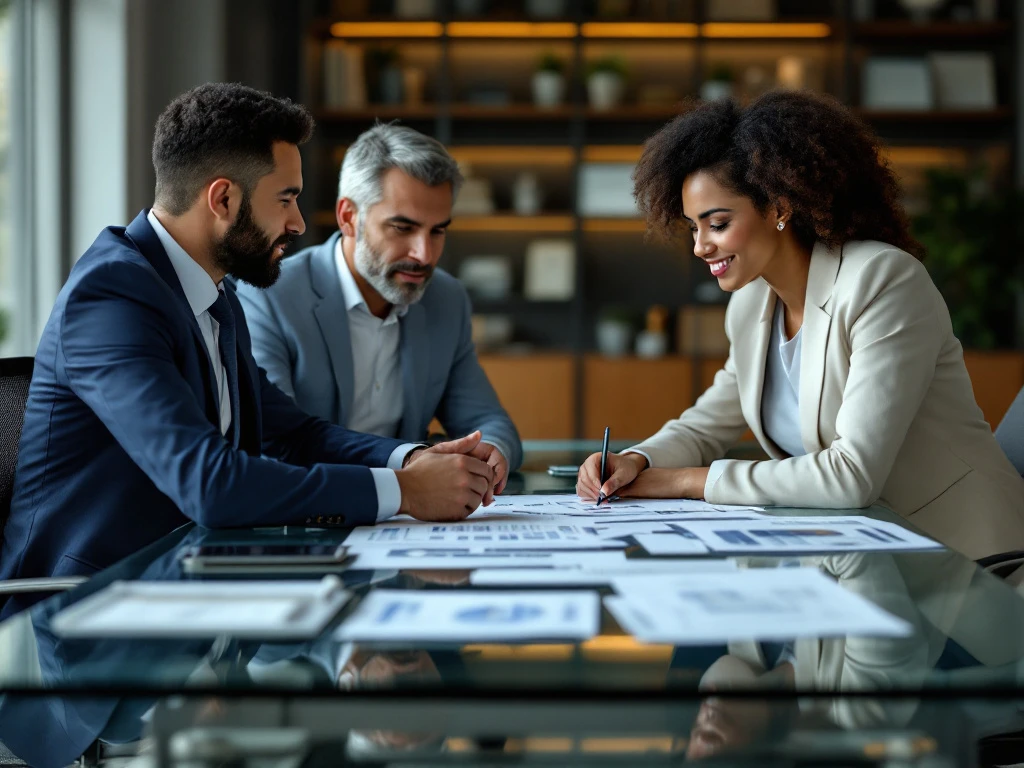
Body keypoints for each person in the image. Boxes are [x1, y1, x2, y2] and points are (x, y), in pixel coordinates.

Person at [0, 84, 496, 619]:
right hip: (78, 625)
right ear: (223, 199)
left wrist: (412, 458)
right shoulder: (111, 297)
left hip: (186, 600)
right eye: (285, 198)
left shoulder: (213, 293)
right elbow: (210, 483)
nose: (299, 223)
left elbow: (291, 432)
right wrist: (402, 491)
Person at [577, 90, 1024, 560]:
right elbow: (705, 427)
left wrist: (688, 480)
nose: (700, 247)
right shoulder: (751, 305)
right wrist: (636, 460)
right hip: (863, 553)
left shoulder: (881, 281)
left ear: (780, 208)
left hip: (969, 561)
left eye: (718, 223)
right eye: (694, 227)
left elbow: (852, 474)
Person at [236, 123, 522, 494]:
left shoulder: (446, 299)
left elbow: (487, 420)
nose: (424, 254)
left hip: (414, 525)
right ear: (348, 217)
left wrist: (489, 454)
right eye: (402, 228)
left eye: (437, 231)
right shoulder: (270, 295)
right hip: (316, 517)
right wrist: (412, 464)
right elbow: (277, 445)